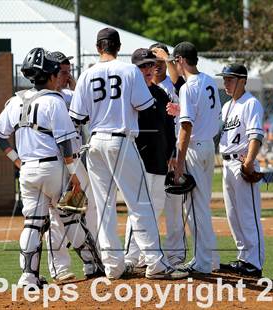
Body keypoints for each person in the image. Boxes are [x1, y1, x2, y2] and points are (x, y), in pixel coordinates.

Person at [69, 27, 188, 280]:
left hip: (95, 142)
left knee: (104, 207)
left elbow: (77, 117)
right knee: (140, 203)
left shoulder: (86, 74)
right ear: (118, 46)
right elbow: (144, 105)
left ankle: (113, 265)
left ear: (99, 46)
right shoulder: (129, 70)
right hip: (120, 140)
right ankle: (155, 263)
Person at [0, 47, 79, 287]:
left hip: (27, 169)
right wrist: (74, 176)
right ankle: (92, 267)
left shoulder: (15, 100)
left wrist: (17, 160)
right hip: (53, 168)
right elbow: (65, 143)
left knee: (32, 223)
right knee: (70, 217)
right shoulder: (54, 100)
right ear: (51, 75)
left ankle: (28, 276)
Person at [45, 51, 103, 281]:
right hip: (58, 164)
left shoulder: (71, 96)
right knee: (57, 218)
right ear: (51, 73)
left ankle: (92, 264)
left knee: (88, 212)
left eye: (69, 72)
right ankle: (60, 269)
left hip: (76, 162)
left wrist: (75, 85)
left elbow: (89, 112)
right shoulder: (44, 100)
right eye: (62, 72)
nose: (66, 76)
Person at [124, 48, 177, 267]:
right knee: (138, 209)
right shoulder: (128, 94)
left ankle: (147, 254)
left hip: (159, 160)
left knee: (154, 208)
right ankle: (130, 256)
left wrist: (171, 154)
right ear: (134, 69)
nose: (149, 69)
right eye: (143, 66)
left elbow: (168, 128)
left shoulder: (160, 93)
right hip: (139, 159)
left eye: (151, 64)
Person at [172, 41, 221, 274]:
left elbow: (186, 128)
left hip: (193, 148)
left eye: (175, 61)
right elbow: (208, 116)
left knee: (194, 207)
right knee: (202, 205)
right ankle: (210, 260)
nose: (175, 65)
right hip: (209, 146)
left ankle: (203, 263)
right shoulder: (210, 81)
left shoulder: (186, 87)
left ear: (181, 59)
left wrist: (179, 163)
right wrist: (180, 111)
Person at [217, 63, 265, 277]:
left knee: (247, 215)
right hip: (227, 163)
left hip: (242, 163)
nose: (226, 83)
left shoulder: (251, 103)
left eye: (230, 79)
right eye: (225, 79)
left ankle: (254, 263)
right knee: (232, 214)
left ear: (242, 80)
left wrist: (249, 163)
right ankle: (243, 258)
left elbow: (256, 136)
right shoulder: (227, 106)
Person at [148, 43, 187, 266]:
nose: (156, 65)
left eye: (160, 61)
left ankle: (175, 255)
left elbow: (179, 82)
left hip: (172, 152)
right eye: (152, 61)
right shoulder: (143, 86)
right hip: (150, 154)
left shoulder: (175, 86)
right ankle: (145, 254)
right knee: (147, 206)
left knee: (173, 207)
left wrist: (167, 58)